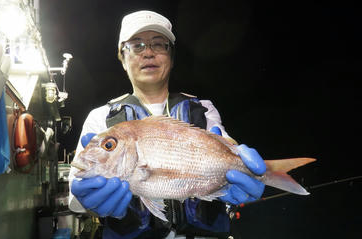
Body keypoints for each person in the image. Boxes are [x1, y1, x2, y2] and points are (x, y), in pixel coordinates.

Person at [69, 10, 266, 239]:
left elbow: (225, 142)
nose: (149, 53)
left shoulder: (202, 109)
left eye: (159, 44)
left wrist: (246, 168)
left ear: (171, 58)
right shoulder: (100, 118)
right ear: (122, 58)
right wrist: (90, 202)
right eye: (137, 45)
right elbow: (75, 195)